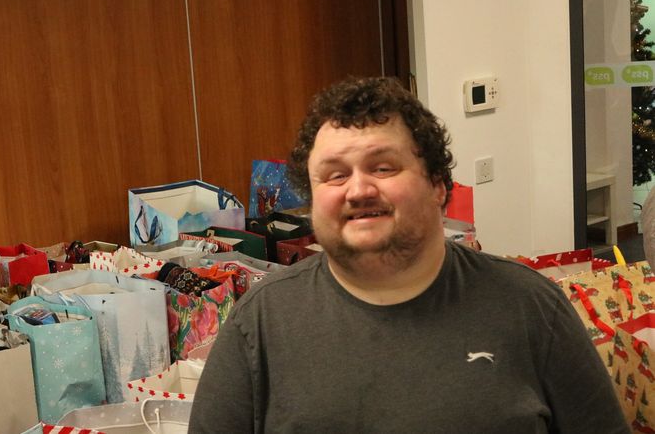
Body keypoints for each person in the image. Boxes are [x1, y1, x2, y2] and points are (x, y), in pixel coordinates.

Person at [188, 76, 629, 433]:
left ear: (438, 185)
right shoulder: (260, 325)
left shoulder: (531, 308)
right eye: (334, 175)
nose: (358, 189)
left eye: (383, 167)